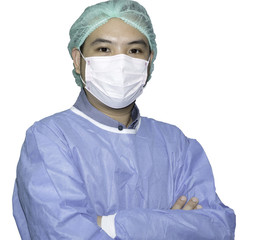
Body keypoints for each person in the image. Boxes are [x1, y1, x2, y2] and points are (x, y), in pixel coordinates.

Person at [12, 0, 236, 239]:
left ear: (149, 62)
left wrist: (109, 224)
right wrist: (171, 225)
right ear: (78, 60)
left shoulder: (177, 145)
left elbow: (218, 228)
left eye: (134, 51)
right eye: (104, 50)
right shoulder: (49, 139)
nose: (120, 63)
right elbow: (62, 232)